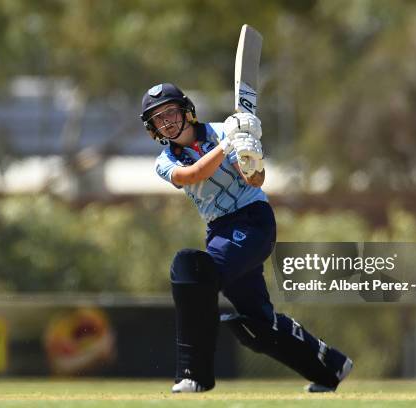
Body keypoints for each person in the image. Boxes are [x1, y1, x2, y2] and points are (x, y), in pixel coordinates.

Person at [141, 83, 353, 393]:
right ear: (153, 128)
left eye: (171, 112)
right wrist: (227, 145)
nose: (168, 122)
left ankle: (194, 375)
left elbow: (256, 178)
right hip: (219, 231)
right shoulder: (166, 161)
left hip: (253, 221)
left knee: (193, 269)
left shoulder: (225, 131)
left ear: (187, 111)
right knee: (256, 325)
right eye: (159, 119)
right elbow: (192, 175)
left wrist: (247, 145)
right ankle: (331, 367)